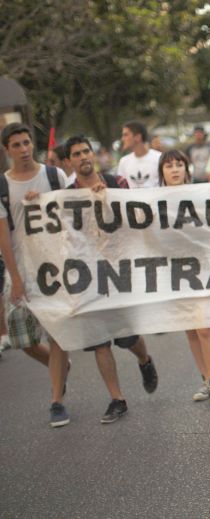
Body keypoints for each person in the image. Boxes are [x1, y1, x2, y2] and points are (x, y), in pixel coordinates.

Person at [64, 135, 160, 422]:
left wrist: (110, 201)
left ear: (93, 155)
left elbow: (134, 221)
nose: (82, 157)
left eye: (86, 151)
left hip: (118, 273)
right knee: (99, 340)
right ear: (69, 161)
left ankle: (144, 359)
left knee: (126, 336)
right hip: (87, 276)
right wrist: (35, 203)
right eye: (76, 154)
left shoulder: (117, 183)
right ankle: (117, 398)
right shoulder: (66, 194)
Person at [0, 123, 71, 426]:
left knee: (57, 335)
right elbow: (3, 237)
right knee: (22, 337)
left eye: (27, 143)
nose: (24, 149)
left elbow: (72, 215)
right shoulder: (3, 186)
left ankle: (56, 400)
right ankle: (60, 369)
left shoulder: (54, 177)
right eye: (16, 145)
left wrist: (44, 203)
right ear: (7, 150)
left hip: (56, 268)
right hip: (22, 269)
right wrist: (15, 278)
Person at [155, 148, 210, 404]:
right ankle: (205, 380)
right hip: (171, 271)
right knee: (190, 329)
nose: (174, 169)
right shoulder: (152, 199)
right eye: (168, 165)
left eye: (179, 164)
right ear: (161, 172)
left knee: (204, 325)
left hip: (203, 267)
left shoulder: (201, 193)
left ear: (187, 168)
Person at [117, 121, 161, 188]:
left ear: (137, 137)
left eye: (126, 135)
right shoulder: (124, 161)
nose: (122, 139)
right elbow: (121, 188)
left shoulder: (159, 158)